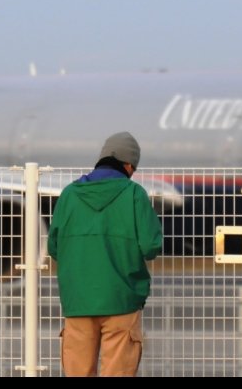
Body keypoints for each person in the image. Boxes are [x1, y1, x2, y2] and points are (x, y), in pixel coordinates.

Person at [48, 131, 163, 377]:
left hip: (77, 301)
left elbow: (53, 248)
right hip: (122, 299)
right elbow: (151, 246)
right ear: (129, 165)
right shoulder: (134, 194)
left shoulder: (69, 194)